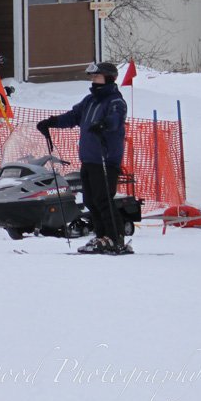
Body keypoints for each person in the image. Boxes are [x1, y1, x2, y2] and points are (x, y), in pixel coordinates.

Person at [38, 61, 130, 255]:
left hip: (105, 159)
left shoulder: (115, 101)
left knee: (103, 199)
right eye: (92, 77)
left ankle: (116, 238)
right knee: (90, 200)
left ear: (108, 78)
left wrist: (104, 125)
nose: (93, 80)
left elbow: (116, 119)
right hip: (89, 159)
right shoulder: (89, 101)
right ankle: (101, 237)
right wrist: (51, 122)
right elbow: (73, 117)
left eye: (97, 77)